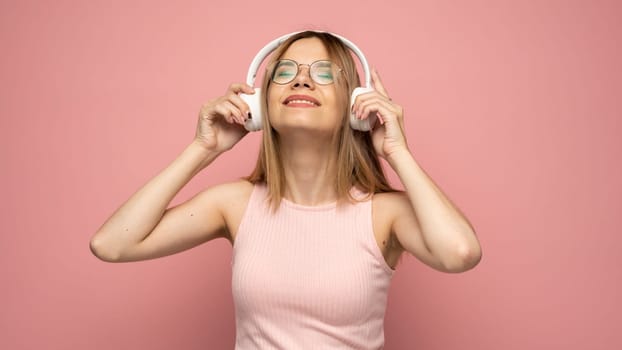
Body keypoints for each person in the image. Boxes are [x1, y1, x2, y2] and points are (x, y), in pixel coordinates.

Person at [90, 30, 482, 349]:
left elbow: (460, 253)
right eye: (285, 71)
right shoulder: (234, 204)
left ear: (355, 106)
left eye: (325, 73)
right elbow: (112, 244)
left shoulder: (384, 213)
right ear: (259, 106)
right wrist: (202, 149)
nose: (301, 78)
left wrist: (398, 152)